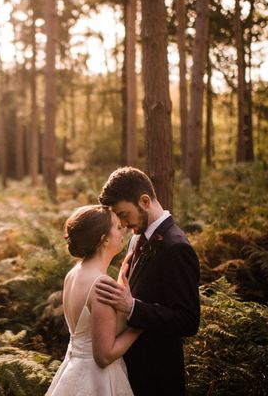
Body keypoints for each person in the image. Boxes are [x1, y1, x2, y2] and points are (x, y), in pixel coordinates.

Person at [95, 167, 200, 396]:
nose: (121, 224)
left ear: (144, 201)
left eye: (123, 214)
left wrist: (132, 308)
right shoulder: (136, 239)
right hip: (131, 371)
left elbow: (188, 321)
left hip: (159, 376)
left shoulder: (177, 248)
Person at [46, 205, 142, 396]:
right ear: (104, 239)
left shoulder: (73, 274)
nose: (123, 228)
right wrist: (138, 325)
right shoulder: (100, 285)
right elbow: (104, 356)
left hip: (73, 370)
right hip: (97, 380)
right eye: (116, 227)